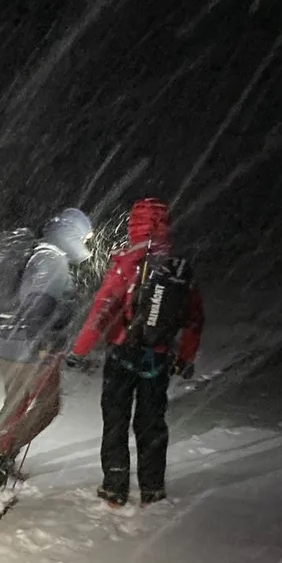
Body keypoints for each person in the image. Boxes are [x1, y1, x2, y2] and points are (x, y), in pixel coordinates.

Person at [70, 197, 205, 506]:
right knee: (152, 422)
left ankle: (115, 487)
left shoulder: (127, 264)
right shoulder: (179, 267)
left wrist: (80, 350)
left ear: (133, 225)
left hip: (121, 352)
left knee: (116, 419)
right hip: (157, 356)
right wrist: (185, 356)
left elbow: (102, 310)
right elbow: (195, 318)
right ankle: (152, 488)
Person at [0, 207, 94, 477]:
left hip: (11, 342)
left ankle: (1, 457)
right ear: (70, 234)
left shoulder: (39, 255)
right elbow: (38, 304)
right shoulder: (51, 259)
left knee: (20, 403)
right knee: (41, 405)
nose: (86, 244)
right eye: (84, 238)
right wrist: (43, 343)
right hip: (31, 347)